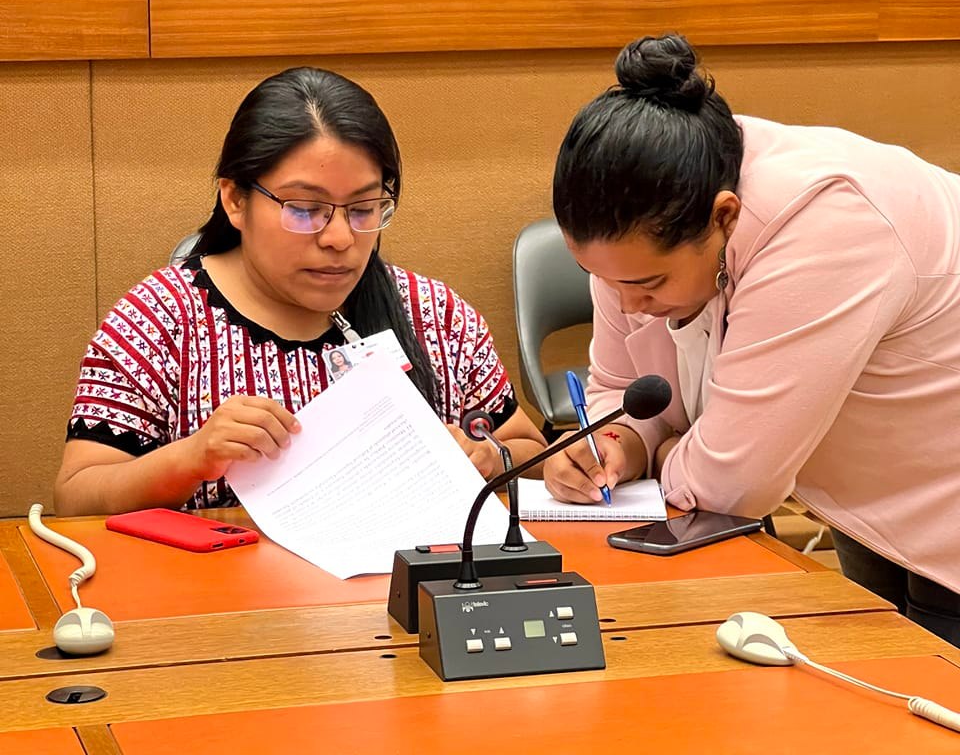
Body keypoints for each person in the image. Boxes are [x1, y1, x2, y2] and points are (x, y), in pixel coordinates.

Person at [543, 33, 960, 645]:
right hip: (872, 487)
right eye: (600, 278)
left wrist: (676, 453)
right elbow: (621, 390)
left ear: (725, 217)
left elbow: (734, 484)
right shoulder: (649, 202)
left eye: (649, 283)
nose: (628, 304)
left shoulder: (826, 224)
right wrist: (618, 445)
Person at [56, 67, 546, 515]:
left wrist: (486, 456)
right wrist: (193, 456)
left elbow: (531, 452)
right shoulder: (158, 322)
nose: (339, 239)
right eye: (305, 209)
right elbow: (77, 497)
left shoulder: (436, 315)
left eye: (363, 209)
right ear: (235, 200)